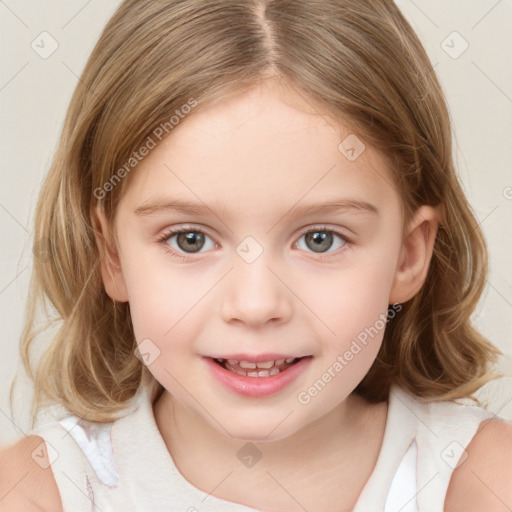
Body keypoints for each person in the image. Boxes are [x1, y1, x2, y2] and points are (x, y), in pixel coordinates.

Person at [1, 0, 511, 510]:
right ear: (112, 255)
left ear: (408, 255)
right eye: (190, 239)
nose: (255, 304)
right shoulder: (43, 492)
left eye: (320, 239)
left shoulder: (477, 481)